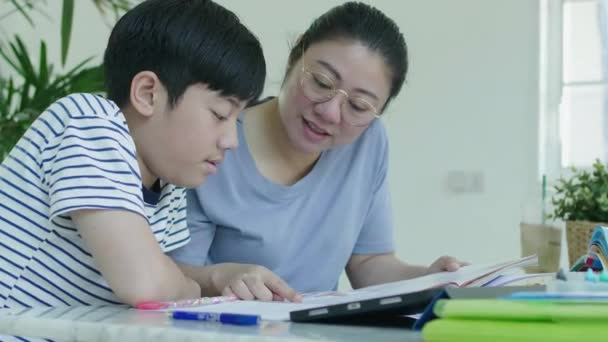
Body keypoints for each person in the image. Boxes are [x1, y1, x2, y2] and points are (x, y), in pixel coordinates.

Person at [169, 1, 466, 302]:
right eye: (321, 82)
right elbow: (175, 278)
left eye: (359, 106)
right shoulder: (217, 140)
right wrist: (226, 279)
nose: (330, 113)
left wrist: (430, 279)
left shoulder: (368, 143)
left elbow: (369, 264)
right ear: (295, 56)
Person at [0, 0, 265, 309]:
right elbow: (146, 284)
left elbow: (156, 270)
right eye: (220, 114)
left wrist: (216, 277)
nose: (232, 141)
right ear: (147, 94)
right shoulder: (90, 123)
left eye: (238, 119)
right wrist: (193, 287)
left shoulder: (169, 183)